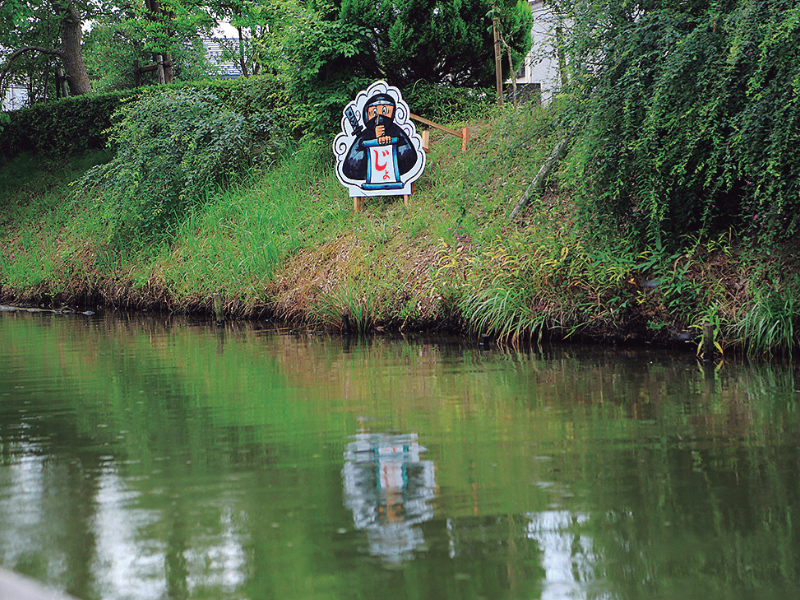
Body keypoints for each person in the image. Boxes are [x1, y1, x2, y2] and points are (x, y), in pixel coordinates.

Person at [342, 93, 418, 189]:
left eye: (384, 111)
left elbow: (409, 153)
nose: (379, 117)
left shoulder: (396, 130)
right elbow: (350, 165)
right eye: (374, 112)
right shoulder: (364, 135)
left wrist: (392, 142)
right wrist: (372, 142)